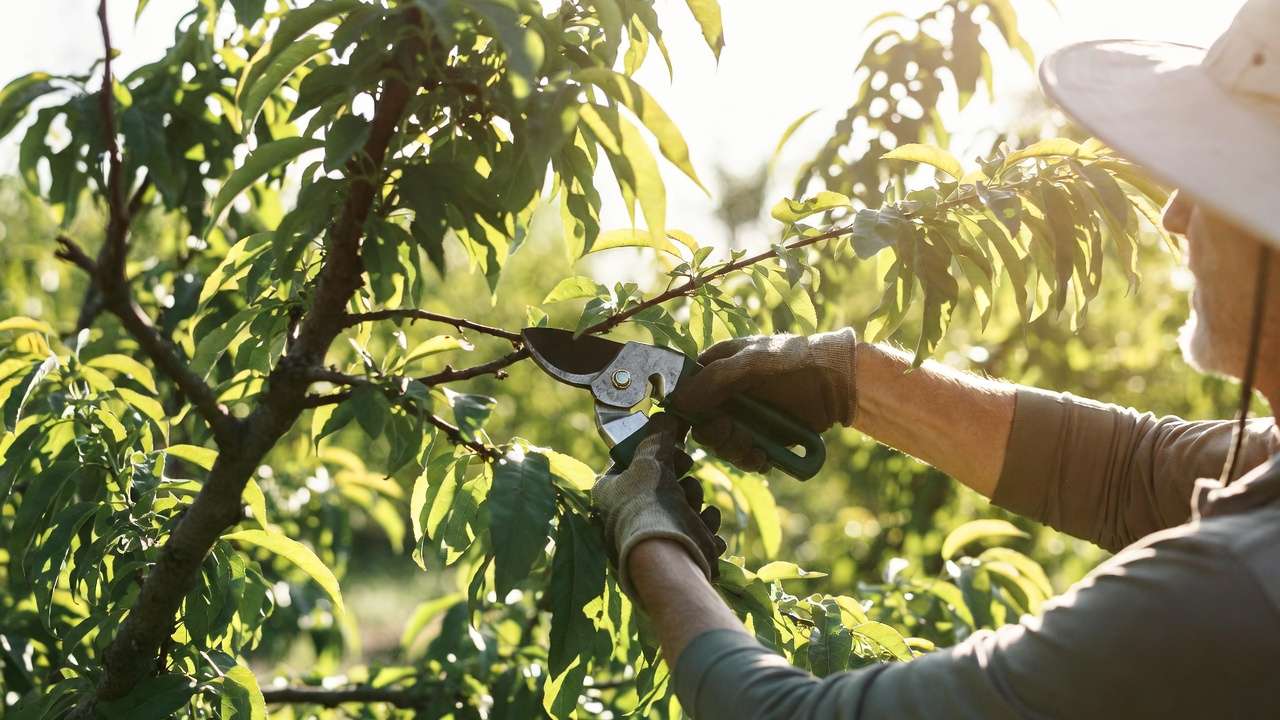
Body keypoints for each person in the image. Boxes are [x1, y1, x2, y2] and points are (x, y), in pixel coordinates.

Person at [590, 0, 1280, 716]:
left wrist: (650, 536)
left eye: (1215, 181)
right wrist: (852, 380)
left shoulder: (1229, 588)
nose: (1175, 213)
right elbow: (1129, 474)